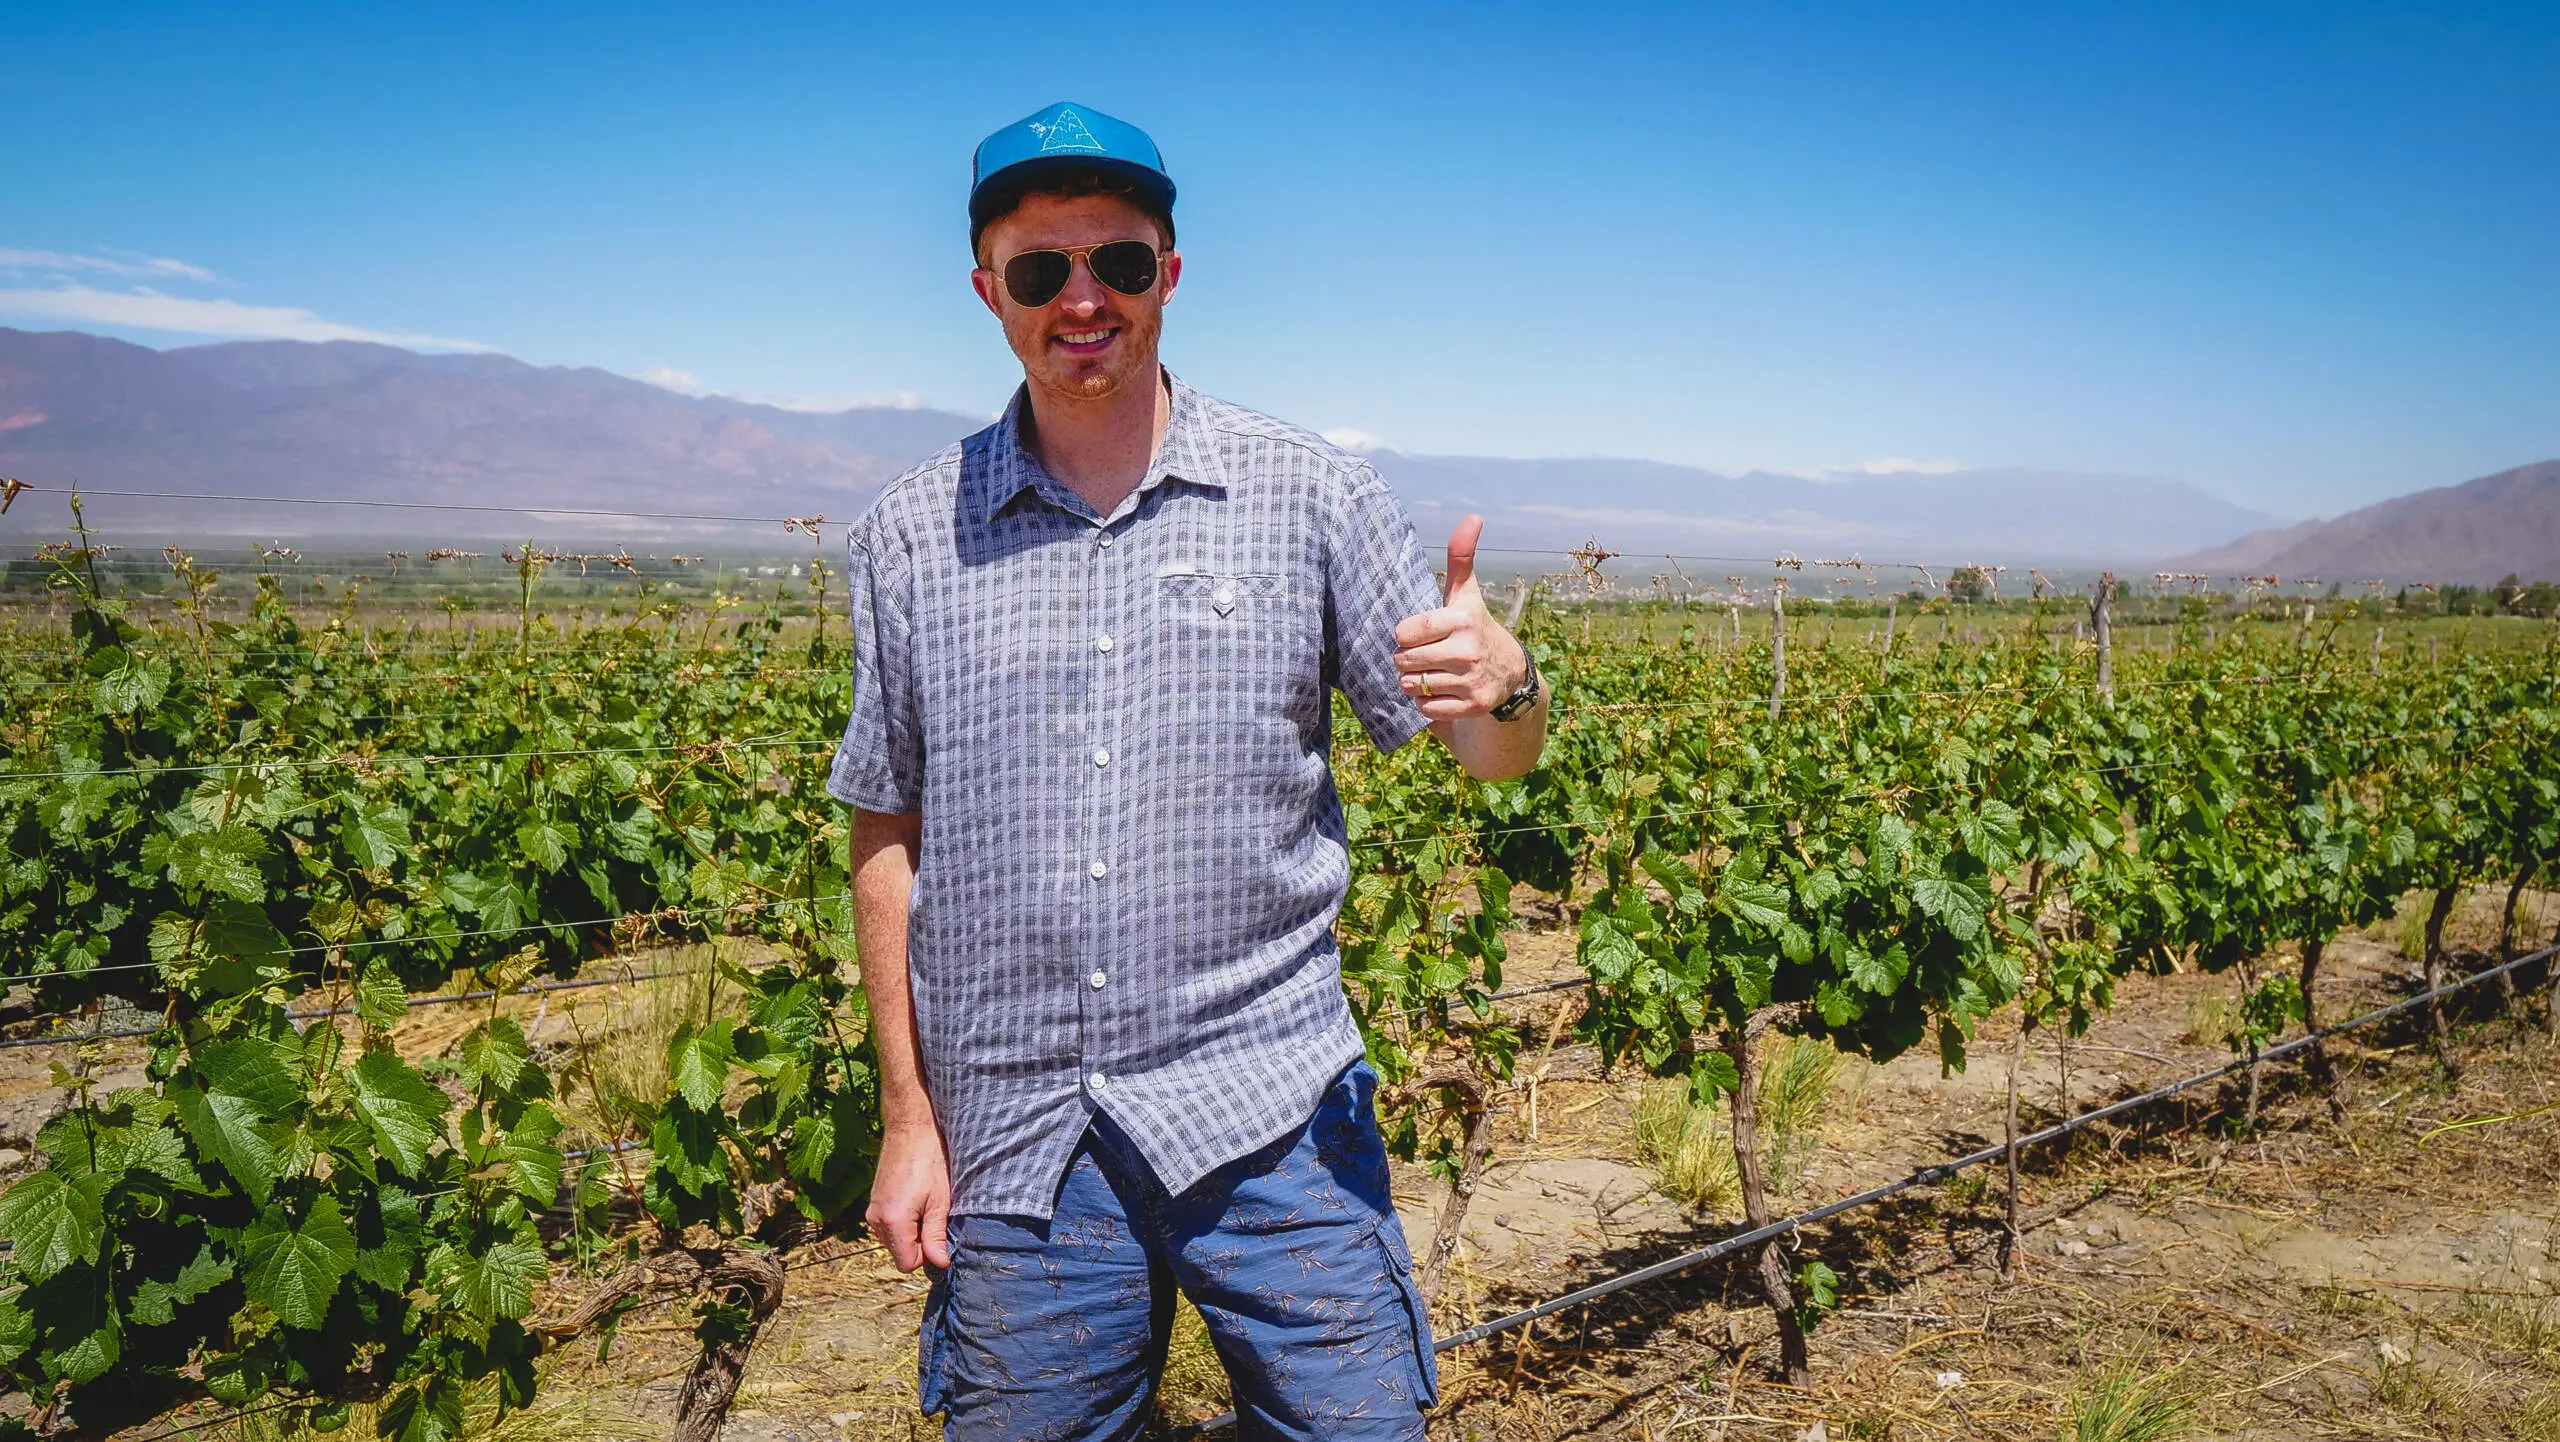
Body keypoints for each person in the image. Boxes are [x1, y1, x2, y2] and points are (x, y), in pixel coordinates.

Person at [828, 100, 1548, 1441]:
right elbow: (887, 828)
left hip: (1268, 1107)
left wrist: (1504, 682)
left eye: (1121, 262)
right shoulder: (907, 537)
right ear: (989, 290)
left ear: (1173, 270)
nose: (1082, 299)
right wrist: (908, 1115)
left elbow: (1486, 753)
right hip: (1018, 1135)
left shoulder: (1311, 493)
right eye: (1043, 271)